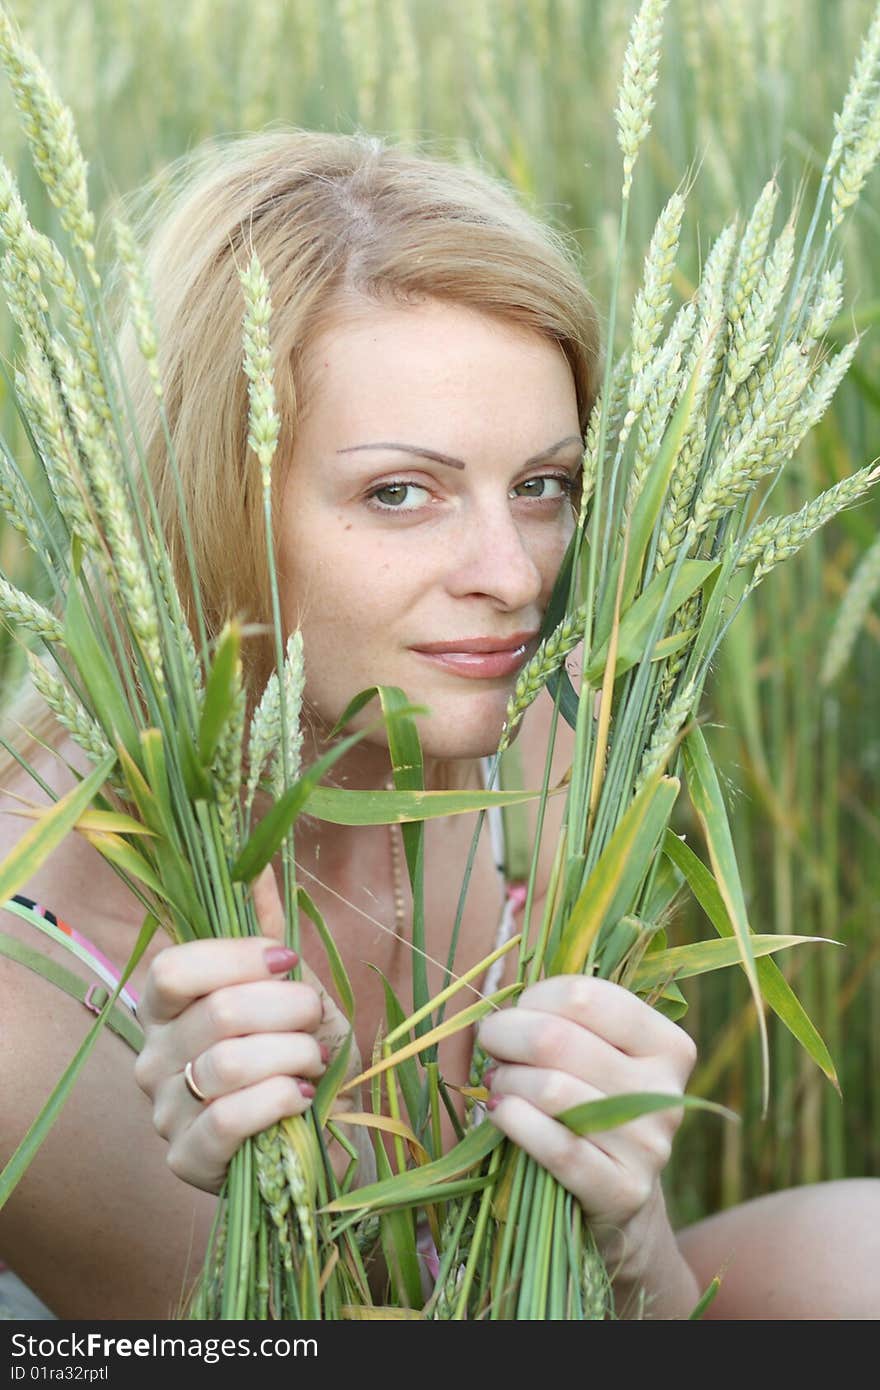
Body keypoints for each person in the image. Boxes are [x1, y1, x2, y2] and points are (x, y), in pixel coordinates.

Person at [1, 131, 878, 1322]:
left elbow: (632, 1303)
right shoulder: (28, 989)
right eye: (399, 492)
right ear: (202, 497)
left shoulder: (556, 755)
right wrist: (265, 1197)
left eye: (542, 486)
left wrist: (631, 1248)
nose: (512, 575)